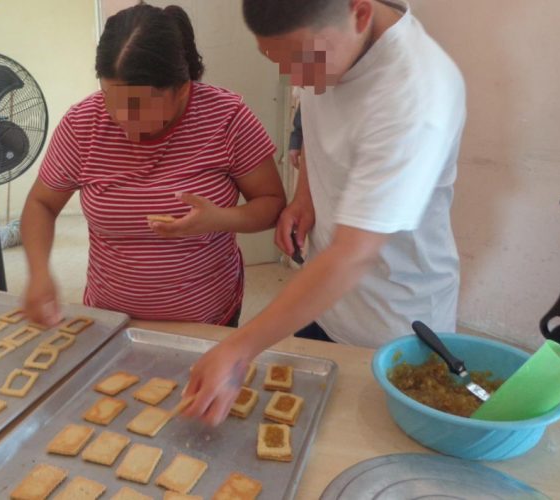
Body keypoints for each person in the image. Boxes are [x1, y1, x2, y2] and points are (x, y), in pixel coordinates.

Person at [182, 0, 466, 425]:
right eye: (275, 59)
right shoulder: (322, 50)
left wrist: (239, 346)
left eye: (300, 60)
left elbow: (355, 253)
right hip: (319, 299)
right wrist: (305, 197)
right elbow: (316, 126)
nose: (294, 79)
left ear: (360, 12)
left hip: (393, 320)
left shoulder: (415, 95)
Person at [20, 3, 285, 328]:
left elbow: (272, 204)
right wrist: (38, 272)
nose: (121, 121)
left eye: (138, 109)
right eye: (109, 99)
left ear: (182, 90)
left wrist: (219, 219)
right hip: (111, 319)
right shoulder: (82, 124)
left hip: (209, 319)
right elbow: (41, 203)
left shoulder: (226, 117)